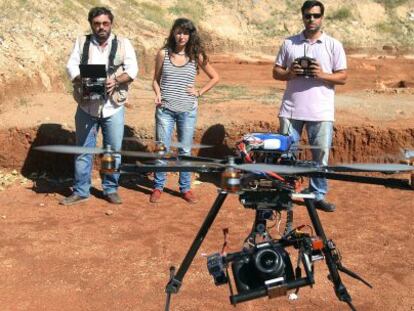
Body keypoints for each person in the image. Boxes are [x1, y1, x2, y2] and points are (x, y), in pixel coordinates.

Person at [273, 0, 347, 212]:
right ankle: (285, 193)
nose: (311, 19)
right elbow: (276, 71)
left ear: (322, 18)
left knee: (320, 154)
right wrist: (289, 73)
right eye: (308, 15)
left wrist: (321, 74)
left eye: (316, 15)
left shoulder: (334, 45)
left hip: (321, 110)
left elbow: (343, 77)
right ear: (303, 17)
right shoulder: (289, 43)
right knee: (286, 154)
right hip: (291, 109)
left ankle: (317, 194)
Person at [63, 6, 138, 205]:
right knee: (83, 150)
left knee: (112, 151)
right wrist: (82, 78)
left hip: (113, 107)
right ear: (91, 25)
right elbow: (71, 65)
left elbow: (132, 69)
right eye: (97, 24)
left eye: (105, 23)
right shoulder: (82, 42)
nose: (101, 27)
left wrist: (117, 80)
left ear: (111, 24)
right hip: (87, 106)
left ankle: (110, 188)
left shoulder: (123, 43)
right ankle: (81, 190)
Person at [150, 18, 219, 204]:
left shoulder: (196, 56)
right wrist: (157, 94)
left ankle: (185, 188)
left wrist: (199, 92)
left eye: (186, 33)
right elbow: (155, 80)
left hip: (187, 110)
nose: (182, 36)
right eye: (179, 32)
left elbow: (215, 77)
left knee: (185, 150)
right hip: (165, 109)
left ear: (191, 35)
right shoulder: (163, 54)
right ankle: (158, 186)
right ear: (173, 33)